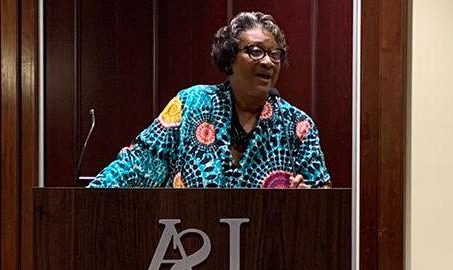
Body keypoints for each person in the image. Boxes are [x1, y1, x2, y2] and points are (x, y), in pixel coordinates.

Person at [87, 12, 331, 189]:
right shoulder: (191, 104)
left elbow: (325, 202)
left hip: (268, 252)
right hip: (187, 248)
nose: (268, 62)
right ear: (230, 57)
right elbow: (138, 166)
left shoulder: (297, 125)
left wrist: (307, 197)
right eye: (256, 51)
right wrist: (83, 204)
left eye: (275, 54)